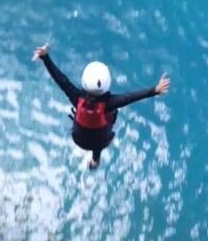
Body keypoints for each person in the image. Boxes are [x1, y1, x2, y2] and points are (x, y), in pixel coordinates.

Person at [32, 44, 169, 169]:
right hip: (98, 142)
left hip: (78, 138)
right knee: (98, 143)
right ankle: (94, 161)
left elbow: (61, 79)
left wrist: (45, 57)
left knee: (92, 135)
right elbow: (129, 97)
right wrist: (154, 90)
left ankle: (94, 159)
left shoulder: (76, 98)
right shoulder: (109, 104)